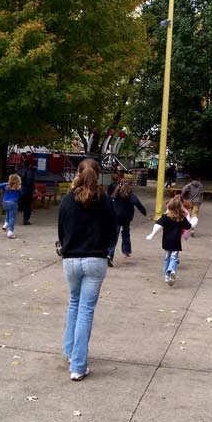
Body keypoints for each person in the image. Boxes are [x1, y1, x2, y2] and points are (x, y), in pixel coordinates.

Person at [58, 159, 116, 381]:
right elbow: (113, 230)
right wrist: (106, 249)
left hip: (70, 259)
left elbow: (61, 231)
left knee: (74, 303)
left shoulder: (67, 200)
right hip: (95, 258)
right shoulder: (105, 201)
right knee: (86, 309)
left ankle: (70, 352)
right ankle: (79, 365)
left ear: (79, 173)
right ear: (98, 175)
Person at [146, 195, 198, 286]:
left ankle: (167, 275)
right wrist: (194, 221)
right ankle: (171, 270)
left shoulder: (165, 217)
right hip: (176, 242)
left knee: (167, 257)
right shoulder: (181, 218)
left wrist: (152, 234)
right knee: (174, 257)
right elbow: (188, 226)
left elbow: (158, 225)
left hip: (166, 241)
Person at [107, 180, 147, 266]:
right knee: (125, 233)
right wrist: (144, 213)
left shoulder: (116, 194)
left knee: (114, 237)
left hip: (116, 217)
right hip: (126, 218)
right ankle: (126, 251)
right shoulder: (131, 195)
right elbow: (138, 204)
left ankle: (109, 254)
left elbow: (109, 200)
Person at [0, 174, 22, 239]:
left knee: (8, 213)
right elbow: (21, 195)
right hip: (13, 203)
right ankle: (10, 232)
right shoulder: (18, 187)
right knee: (12, 217)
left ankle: (5, 224)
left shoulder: (5, 185)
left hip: (4, 203)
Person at [18, 159, 35, 225]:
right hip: (27, 190)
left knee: (20, 202)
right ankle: (25, 219)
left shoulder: (19, 171)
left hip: (19, 189)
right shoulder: (29, 172)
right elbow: (30, 181)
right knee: (28, 205)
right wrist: (33, 188)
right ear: (29, 165)